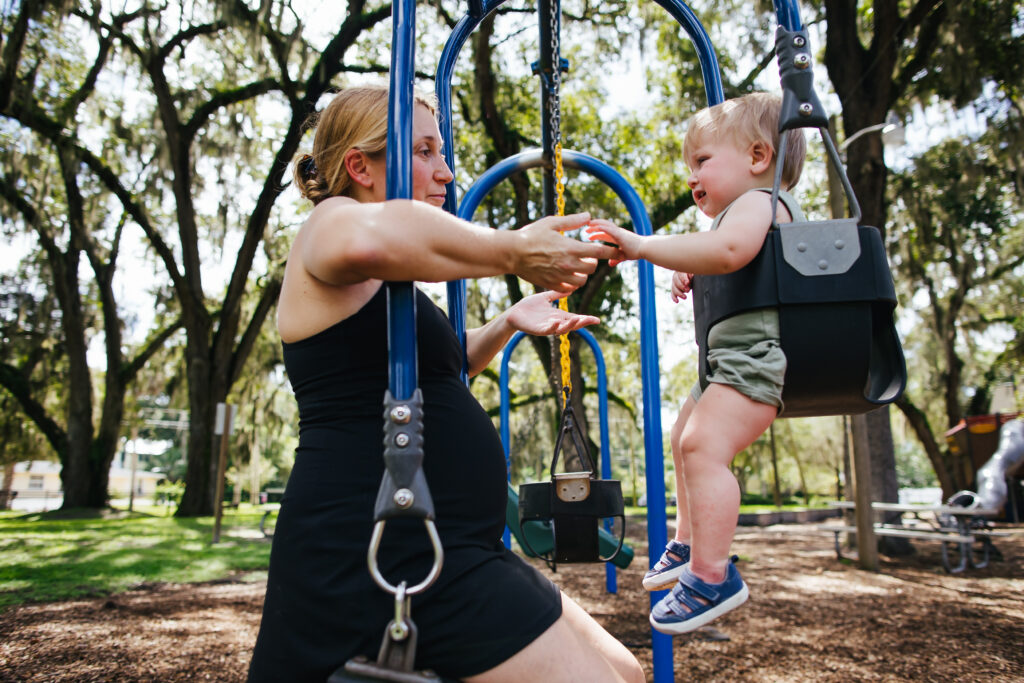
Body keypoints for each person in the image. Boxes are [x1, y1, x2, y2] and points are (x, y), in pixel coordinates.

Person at [247, 84, 645, 683]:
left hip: (457, 543)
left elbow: (445, 370)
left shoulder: (387, 284)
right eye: (426, 151)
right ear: (360, 166)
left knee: (625, 672)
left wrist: (508, 322)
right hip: (376, 543)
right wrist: (512, 249)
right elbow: (373, 234)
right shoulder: (328, 227)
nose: (447, 172)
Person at [584, 92, 806, 635]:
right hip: (726, 364)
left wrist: (641, 245)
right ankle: (686, 543)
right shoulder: (741, 213)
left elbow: (731, 253)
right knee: (683, 434)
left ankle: (713, 575)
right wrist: (695, 269)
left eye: (702, 161)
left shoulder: (761, 202)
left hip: (752, 363)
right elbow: (725, 256)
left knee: (702, 446)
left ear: (758, 157)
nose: (692, 176)